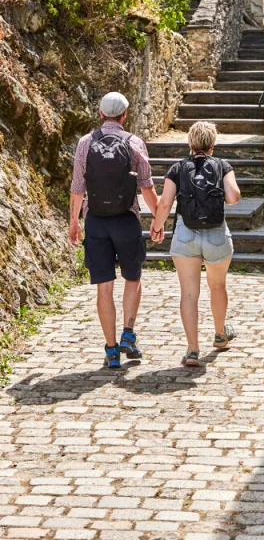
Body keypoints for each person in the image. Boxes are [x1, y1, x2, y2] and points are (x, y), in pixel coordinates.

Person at [69, 91, 161, 369]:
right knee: (132, 279)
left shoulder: (85, 143)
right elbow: (146, 187)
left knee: (104, 287)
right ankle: (128, 335)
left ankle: (111, 351)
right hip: (126, 220)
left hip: (95, 221)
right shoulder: (134, 143)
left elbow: (77, 188)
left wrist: (74, 222)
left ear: (100, 114)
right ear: (124, 115)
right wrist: (159, 219)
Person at [150, 120, 241, 367]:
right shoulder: (222, 166)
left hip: (185, 234)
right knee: (218, 286)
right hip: (216, 235)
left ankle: (192, 350)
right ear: (212, 144)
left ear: (190, 143)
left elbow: (166, 204)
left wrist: (157, 227)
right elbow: (233, 197)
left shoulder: (178, 168)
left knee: (189, 294)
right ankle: (221, 335)